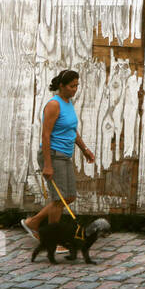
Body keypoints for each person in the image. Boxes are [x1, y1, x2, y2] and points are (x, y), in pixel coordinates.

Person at [21, 69, 95, 244]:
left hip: (64, 156)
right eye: (71, 86)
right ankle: (52, 240)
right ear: (61, 86)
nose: (75, 89)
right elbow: (45, 135)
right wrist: (47, 165)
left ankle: (33, 222)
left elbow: (71, 130)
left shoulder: (68, 103)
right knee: (58, 199)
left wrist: (84, 149)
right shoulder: (54, 105)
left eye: (77, 85)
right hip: (53, 155)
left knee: (68, 196)